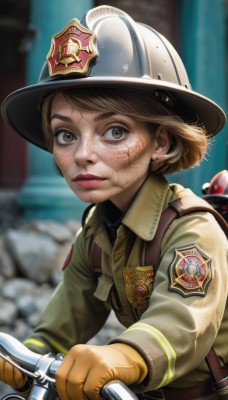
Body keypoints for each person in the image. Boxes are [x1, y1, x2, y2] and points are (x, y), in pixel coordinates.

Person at [1, 5, 228, 400]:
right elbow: (67, 314)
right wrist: (28, 357)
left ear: (161, 141)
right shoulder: (98, 229)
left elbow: (183, 322)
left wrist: (125, 354)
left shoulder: (192, 227)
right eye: (66, 135)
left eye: (115, 130)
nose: (83, 154)